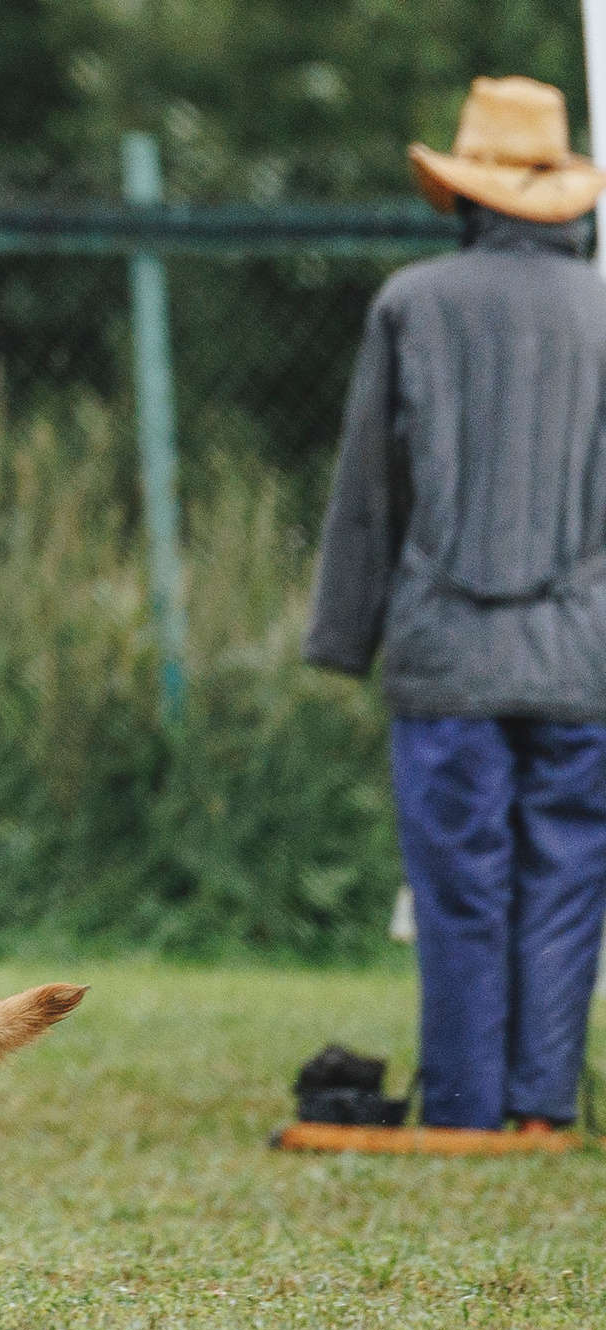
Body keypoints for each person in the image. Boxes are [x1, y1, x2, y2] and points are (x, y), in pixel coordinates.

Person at [306, 75, 606, 1134]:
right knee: (567, 883)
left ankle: (467, 1110)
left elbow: (370, 492)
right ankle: (541, 1110)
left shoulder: (411, 303)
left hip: (445, 656)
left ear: (468, 195)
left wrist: (344, 638)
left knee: (460, 888)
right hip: (581, 659)